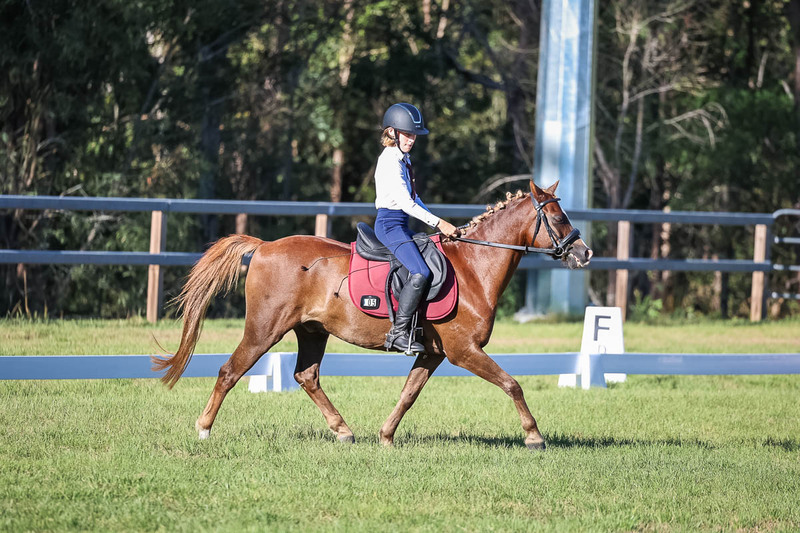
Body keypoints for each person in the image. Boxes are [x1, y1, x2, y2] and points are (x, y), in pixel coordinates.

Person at [373, 102, 459, 353]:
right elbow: (405, 202)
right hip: (389, 225)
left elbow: (415, 197)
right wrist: (439, 223)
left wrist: (438, 222)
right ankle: (397, 333)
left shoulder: (403, 158)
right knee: (421, 272)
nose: (412, 140)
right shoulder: (390, 160)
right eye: (407, 134)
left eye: (414, 136)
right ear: (392, 133)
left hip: (402, 224)